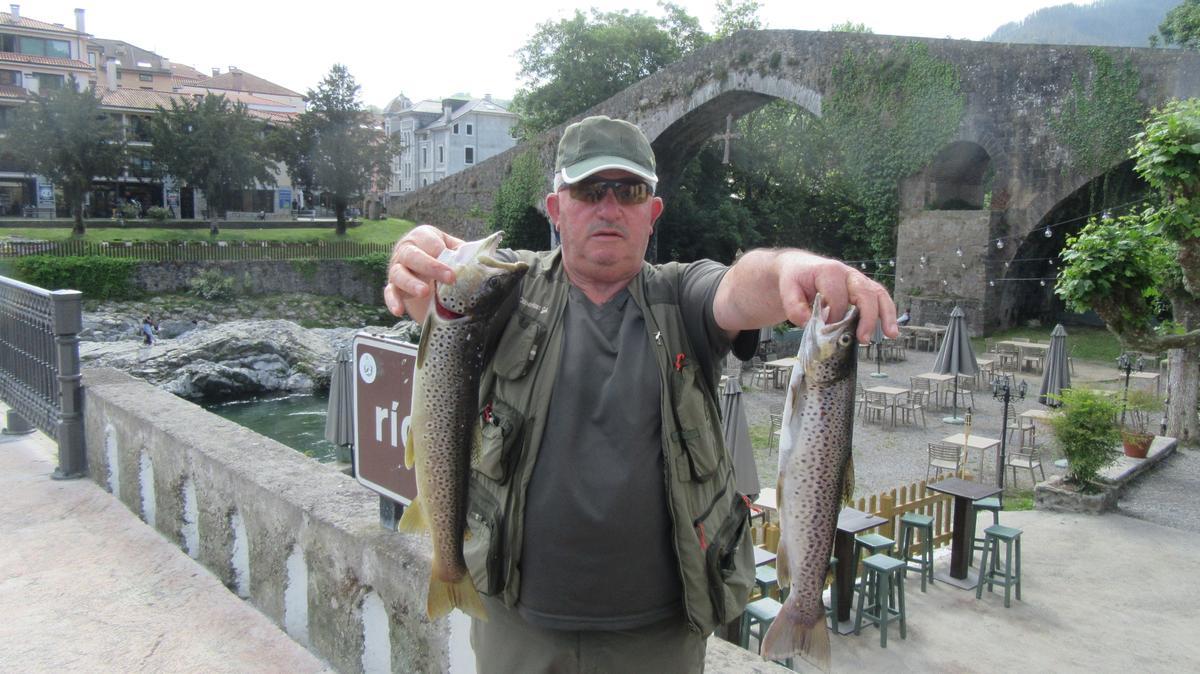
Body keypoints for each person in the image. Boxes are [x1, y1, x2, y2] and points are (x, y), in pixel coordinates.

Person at [384, 115, 897, 672]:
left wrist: (801, 266)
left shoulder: (682, 295)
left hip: (660, 639)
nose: (608, 207)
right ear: (556, 209)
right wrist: (416, 255)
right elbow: (434, 302)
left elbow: (745, 284)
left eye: (628, 191)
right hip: (517, 628)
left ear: (652, 214)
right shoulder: (504, 284)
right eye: (587, 190)